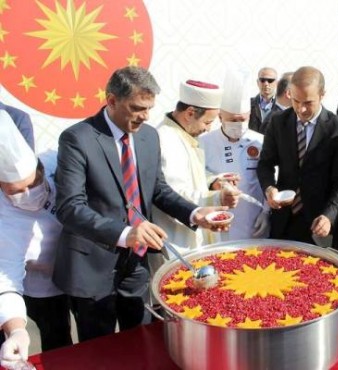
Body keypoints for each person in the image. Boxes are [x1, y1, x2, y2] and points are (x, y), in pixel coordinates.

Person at [52, 66, 226, 342]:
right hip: (93, 265)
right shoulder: (78, 138)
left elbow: (157, 188)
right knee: (101, 352)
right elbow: (69, 207)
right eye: (136, 108)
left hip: (136, 265)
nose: (144, 116)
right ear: (111, 101)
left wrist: (194, 213)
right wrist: (124, 234)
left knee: (141, 340)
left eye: (149, 109)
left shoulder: (148, 136)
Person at [0, 112, 72, 367]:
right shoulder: (3, 215)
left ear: (40, 168)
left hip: (79, 266)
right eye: (16, 191)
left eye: (33, 183)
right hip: (42, 284)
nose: (27, 194)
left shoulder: (55, 161)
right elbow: (6, 277)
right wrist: (16, 331)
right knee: (57, 334)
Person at [257, 66, 338, 245]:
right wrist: (269, 189)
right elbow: (265, 164)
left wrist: (329, 216)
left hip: (318, 223)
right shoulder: (278, 123)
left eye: (308, 103)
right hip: (283, 219)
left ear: (322, 95)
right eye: (296, 101)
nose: (301, 109)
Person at [153, 80, 239, 252]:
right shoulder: (166, 140)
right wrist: (217, 198)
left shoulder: (185, 132)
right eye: (207, 122)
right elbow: (171, 194)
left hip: (195, 231)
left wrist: (213, 181)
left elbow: (193, 174)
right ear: (190, 113)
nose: (208, 129)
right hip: (177, 237)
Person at [200, 69, 270, 240]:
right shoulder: (204, 142)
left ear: (249, 116)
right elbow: (198, 175)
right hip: (217, 220)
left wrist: (267, 213)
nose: (237, 124)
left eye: (242, 120)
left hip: (253, 219)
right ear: (220, 116)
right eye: (232, 120)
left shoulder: (261, 142)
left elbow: (270, 178)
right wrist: (215, 181)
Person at [249, 67, 279, 133]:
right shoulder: (248, 105)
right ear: (257, 82)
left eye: (270, 80)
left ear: (277, 83)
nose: (266, 84)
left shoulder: (284, 107)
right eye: (262, 80)